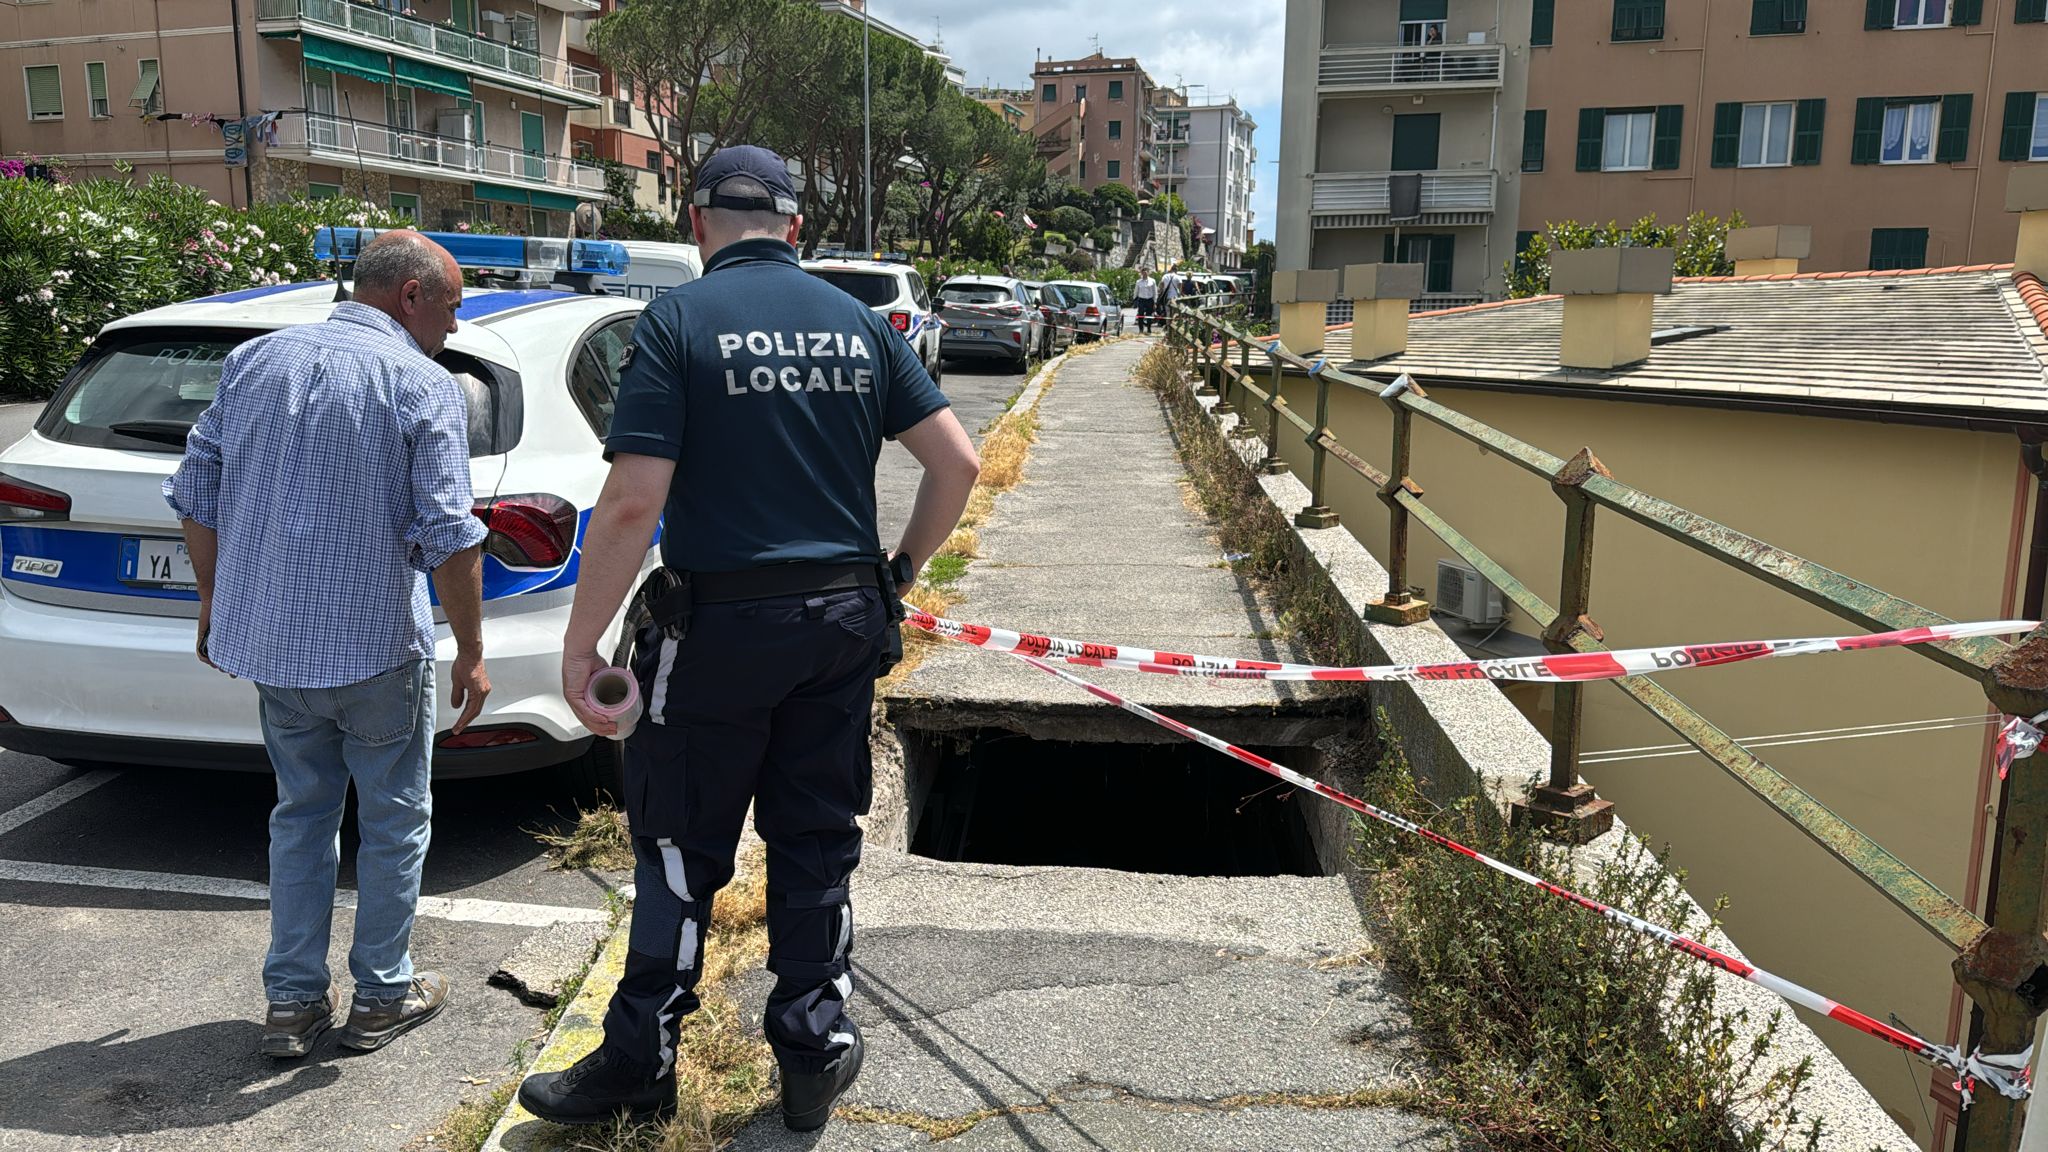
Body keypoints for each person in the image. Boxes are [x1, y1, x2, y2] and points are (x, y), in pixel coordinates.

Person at [515, 146, 981, 1132]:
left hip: (715, 629)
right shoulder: (862, 325)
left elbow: (633, 501)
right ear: (795, 228)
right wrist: (899, 572)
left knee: (681, 845)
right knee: (816, 835)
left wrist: (582, 646)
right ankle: (814, 1047)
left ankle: (639, 1061)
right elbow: (957, 463)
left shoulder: (677, 322)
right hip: (842, 624)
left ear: (696, 224)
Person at [166, 230, 491, 1059]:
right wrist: (471, 649)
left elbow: (196, 487)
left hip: (276, 647)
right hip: (377, 646)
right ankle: (381, 994)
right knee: (394, 822)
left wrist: (213, 601)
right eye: (452, 307)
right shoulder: (422, 383)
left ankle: (291, 1003)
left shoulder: (255, 361)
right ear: (411, 295)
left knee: (300, 817)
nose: (453, 326)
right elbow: (450, 532)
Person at [1133, 268, 1159, 335]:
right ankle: (1141, 330)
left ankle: (1149, 329)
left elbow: (1155, 292)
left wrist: (1155, 302)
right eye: (1143, 273)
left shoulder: (1152, 281)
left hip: (1149, 300)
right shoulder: (1138, 282)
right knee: (1140, 315)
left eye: (1146, 272)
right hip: (1141, 300)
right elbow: (1136, 291)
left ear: (1148, 273)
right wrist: (1134, 300)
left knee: (1149, 315)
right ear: (1141, 273)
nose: (1144, 274)